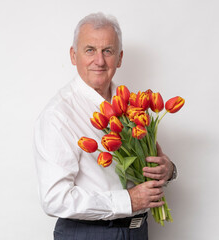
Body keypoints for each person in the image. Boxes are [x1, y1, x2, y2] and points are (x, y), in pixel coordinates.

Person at [33, 12, 177, 240]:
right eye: (90, 50)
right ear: (73, 55)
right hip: (89, 234)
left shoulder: (133, 104)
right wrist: (127, 201)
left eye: (107, 51)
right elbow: (54, 199)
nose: (99, 61)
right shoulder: (58, 115)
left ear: (119, 58)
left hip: (139, 230)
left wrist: (167, 171)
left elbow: (147, 165)